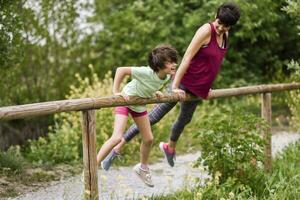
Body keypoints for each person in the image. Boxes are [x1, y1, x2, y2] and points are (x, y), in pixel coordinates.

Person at [101, 2, 240, 169]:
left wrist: (207, 85)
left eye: (225, 27)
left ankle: (169, 147)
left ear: (230, 27)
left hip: (199, 88)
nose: (220, 28)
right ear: (215, 17)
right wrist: (174, 86)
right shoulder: (206, 30)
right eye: (219, 23)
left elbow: (214, 63)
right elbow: (188, 57)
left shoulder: (225, 37)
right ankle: (116, 148)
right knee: (154, 116)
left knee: (184, 119)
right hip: (184, 82)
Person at [96, 44, 178, 187]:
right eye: (170, 62)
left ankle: (143, 168)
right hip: (126, 101)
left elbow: (149, 86)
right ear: (158, 65)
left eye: (174, 61)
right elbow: (121, 70)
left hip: (138, 105)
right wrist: (116, 91)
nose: (174, 65)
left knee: (148, 139)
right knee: (116, 137)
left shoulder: (165, 77)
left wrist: (156, 93)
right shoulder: (145, 72)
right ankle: (91, 168)